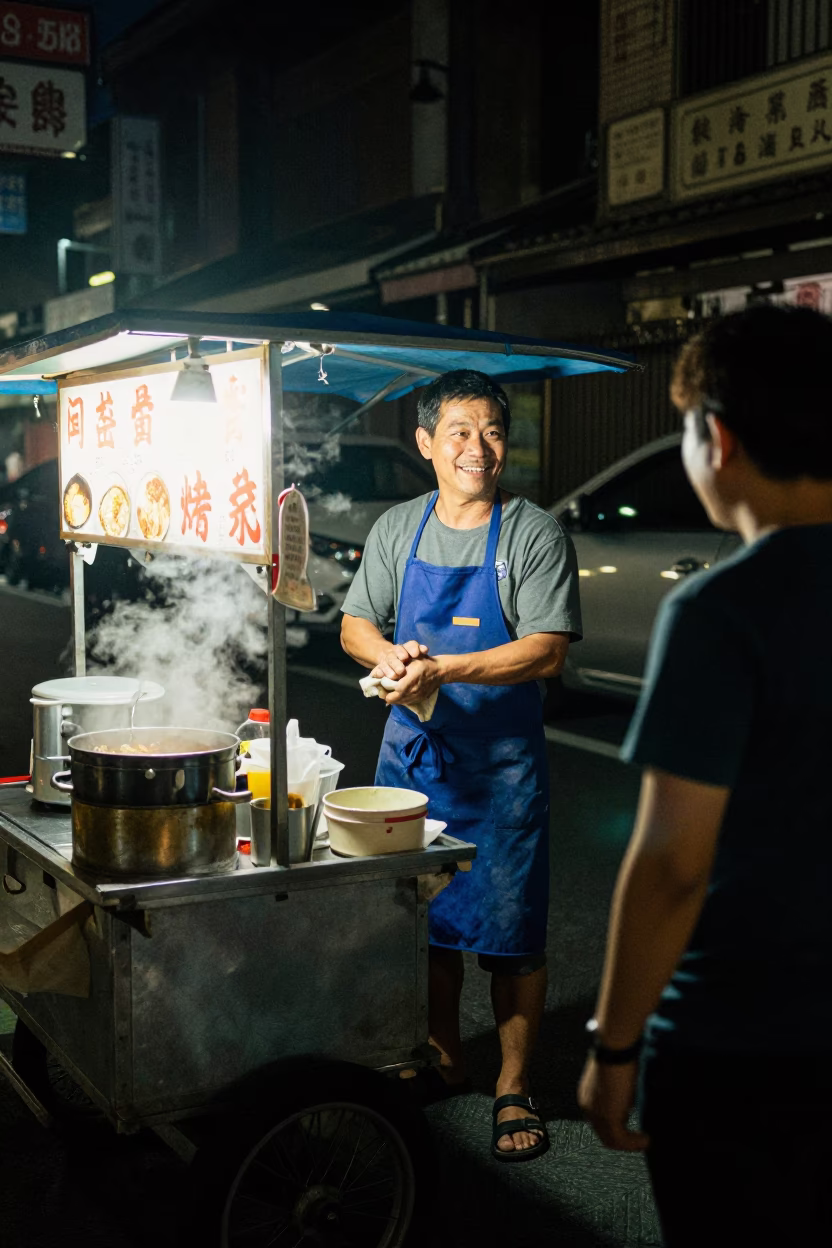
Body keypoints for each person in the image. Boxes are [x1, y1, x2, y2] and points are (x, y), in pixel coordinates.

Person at [577, 304, 832, 1244]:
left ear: (716, 439)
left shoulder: (724, 610)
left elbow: (674, 861)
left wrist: (614, 1044)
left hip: (742, 1046)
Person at [340, 369, 582, 1160]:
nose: (477, 449)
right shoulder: (397, 529)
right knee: (428, 927)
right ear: (425, 444)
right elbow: (354, 626)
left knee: (513, 933)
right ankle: (444, 1054)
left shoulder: (533, 534)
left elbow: (545, 651)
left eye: (491, 433)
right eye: (458, 433)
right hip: (413, 762)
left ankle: (513, 1083)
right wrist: (394, 654)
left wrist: (443, 667)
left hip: (502, 769)